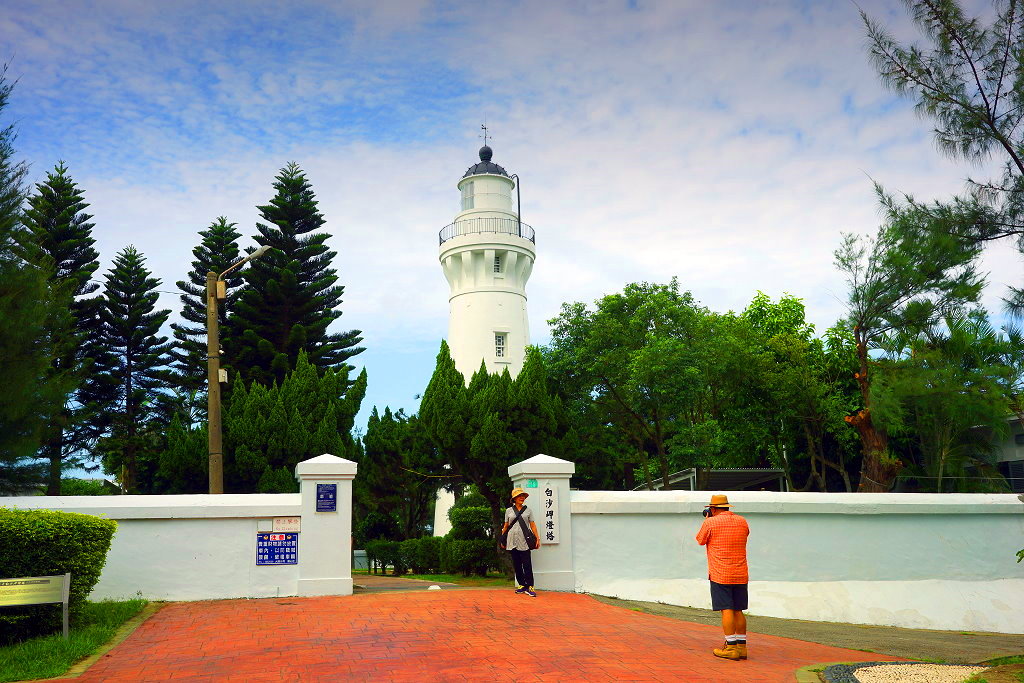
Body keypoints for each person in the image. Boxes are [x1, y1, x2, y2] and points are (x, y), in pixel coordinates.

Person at [695, 493, 750, 661]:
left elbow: (700, 540)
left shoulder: (710, 522)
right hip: (740, 572)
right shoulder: (742, 521)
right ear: (727, 507)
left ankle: (731, 647)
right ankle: (742, 647)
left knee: (726, 609)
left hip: (721, 573)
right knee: (738, 609)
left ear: (712, 509)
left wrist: (707, 520)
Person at [499, 487, 541, 597]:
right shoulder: (508, 511)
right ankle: (522, 585)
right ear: (514, 498)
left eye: (523, 496)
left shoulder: (528, 510)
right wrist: (502, 539)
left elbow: (532, 525)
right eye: (519, 496)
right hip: (512, 540)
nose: (522, 498)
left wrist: (537, 538)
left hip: (524, 541)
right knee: (517, 564)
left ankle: (530, 586)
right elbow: (506, 526)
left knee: (527, 564)